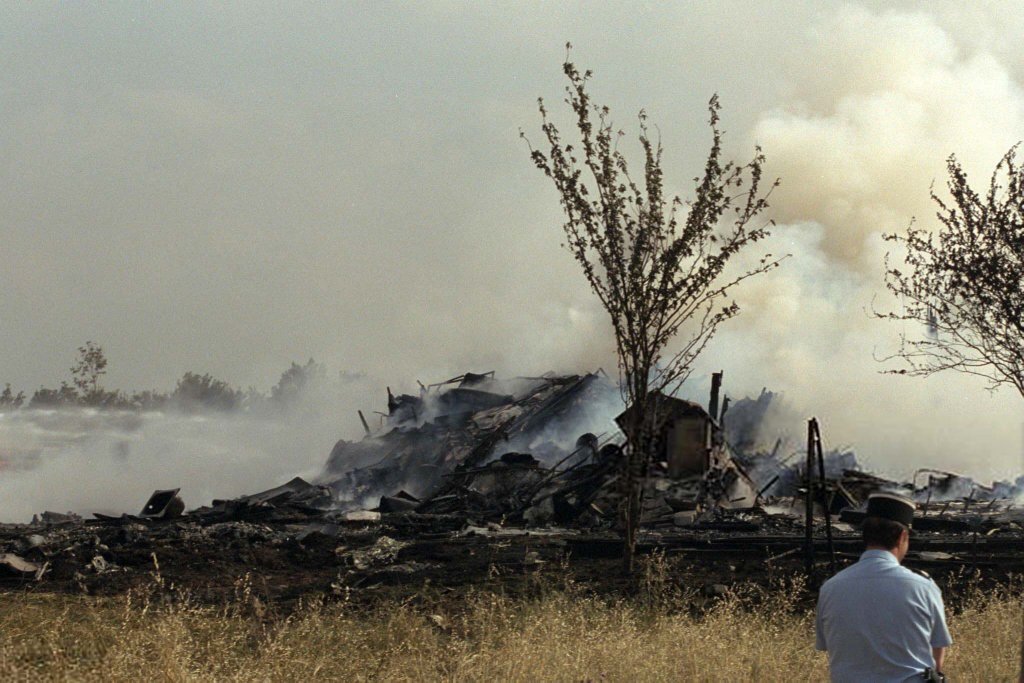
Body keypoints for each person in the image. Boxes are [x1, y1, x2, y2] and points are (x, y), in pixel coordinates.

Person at [816, 492, 952, 682]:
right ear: (902, 536)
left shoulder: (831, 587)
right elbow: (937, 658)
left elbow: (828, 646)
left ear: (865, 535)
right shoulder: (923, 587)